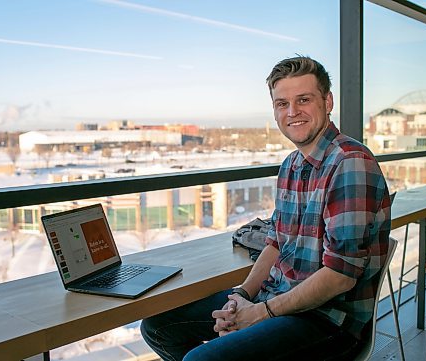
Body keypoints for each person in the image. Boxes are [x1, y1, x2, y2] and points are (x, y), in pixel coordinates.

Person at [140, 56, 391, 361]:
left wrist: (261, 313)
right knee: (158, 327)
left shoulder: (350, 163)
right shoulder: (291, 165)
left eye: (303, 100)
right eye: (282, 103)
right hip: (277, 298)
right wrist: (242, 296)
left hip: (328, 320)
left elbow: (340, 275)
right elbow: (276, 242)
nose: (292, 112)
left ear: (328, 102)